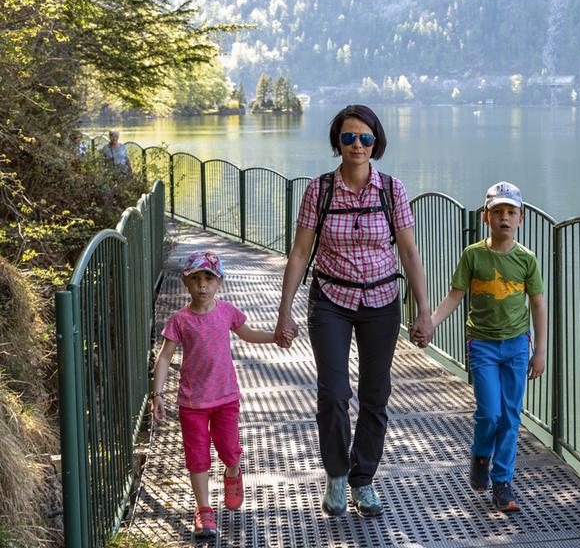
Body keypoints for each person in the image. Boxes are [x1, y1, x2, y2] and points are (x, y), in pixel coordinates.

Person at [274, 104, 434, 518]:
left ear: (376, 142)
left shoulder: (391, 190)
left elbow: (409, 252)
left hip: (381, 303)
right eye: (348, 137)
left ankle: (363, 480)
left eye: (365, 137)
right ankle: (337, 475)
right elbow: (300, 252)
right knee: (332, 394)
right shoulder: (320, 190)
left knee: (375, 395)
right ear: (337, 143)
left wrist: (424, 311)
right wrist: (284, 311)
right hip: (331, 300)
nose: (357, 145)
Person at [413, 181, 547, 512]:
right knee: (490, 412)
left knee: (511, 417)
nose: (504, 217)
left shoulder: (526, 260)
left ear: (521, 218)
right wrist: (430, 322)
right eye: (497, 211)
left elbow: (539, 305)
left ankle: (502, 483)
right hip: (483, 345)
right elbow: (456, 296)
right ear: (485, 217)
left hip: (517, 345)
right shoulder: (473, 256)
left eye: (511, 212)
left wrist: (540, 350)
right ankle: (481, 454)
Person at [151, 250, 288, 539]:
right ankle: (204, 511)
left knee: (230, 450)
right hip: (192, 403)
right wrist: (158, 394)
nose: (203, 285)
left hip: (225, 399)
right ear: (185, 282)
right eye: (197, 279)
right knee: (197, 456)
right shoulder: (180, 320)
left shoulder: (226, 312)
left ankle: (232, 473)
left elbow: (248, 333)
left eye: (209, 278)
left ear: (219, 283)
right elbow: (164, 358)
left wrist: (275, 337)